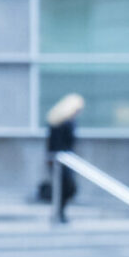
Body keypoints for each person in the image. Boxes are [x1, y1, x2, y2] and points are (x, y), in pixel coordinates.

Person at [46, 91, 84, 222]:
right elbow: (52, 143)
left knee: (68, 187)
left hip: (68, 159)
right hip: (59, 159)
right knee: (65, 186)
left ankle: (60, 212)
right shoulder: (58, 122)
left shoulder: (70, 122)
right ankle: (59, 213)